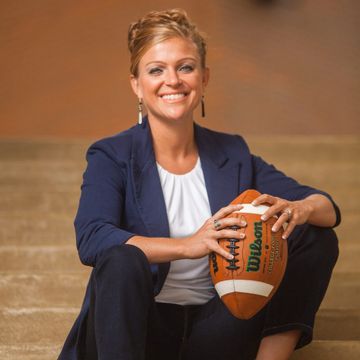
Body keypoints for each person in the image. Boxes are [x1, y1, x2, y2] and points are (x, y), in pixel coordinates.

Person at [58, 8, 340, 360]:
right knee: (121, 260)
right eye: (156, 69)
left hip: (216, 329)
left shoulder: (232, 153)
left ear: (204, 78)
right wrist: (188, 245)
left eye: (185, 67)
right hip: (142, 332)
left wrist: (301, 207)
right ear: (137, 85)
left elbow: (326, 208)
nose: (173, 80)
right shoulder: (111, 155)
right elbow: (92, 238)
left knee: (313, 233)